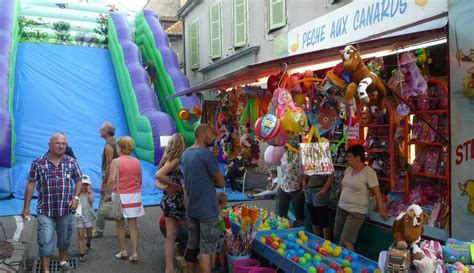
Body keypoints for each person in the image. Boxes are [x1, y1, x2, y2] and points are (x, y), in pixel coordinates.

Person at [22, 132, 82, 273]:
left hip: (65, 210)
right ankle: (46, 270)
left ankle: (63, 261)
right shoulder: (38, 163)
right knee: (45, 240)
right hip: (45, 210)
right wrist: (26, 207)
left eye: (63, 143)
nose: (61, 146)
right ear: (49, 145)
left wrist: (76, 198)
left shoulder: (71, 162)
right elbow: (31, 184)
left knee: (64, 239)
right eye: (57, 143)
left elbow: (78, 180)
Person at [181, 124, 226, 273]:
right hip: (207, 209)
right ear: (203, 135)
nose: (214, 138)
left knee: (192, 245)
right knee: (206, 249)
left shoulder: (186, 153)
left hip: (192, 208)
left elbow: (197, 176)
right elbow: (221, 182)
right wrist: (212, 158)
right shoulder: (206, 155)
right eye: (212, 135)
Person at [333, 144, 389, 251]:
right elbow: (342, 178)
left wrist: (381, 210)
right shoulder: (349, 169)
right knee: (338, 235)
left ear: (357, 158)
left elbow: (377, 193)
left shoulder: (369, 172)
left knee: (347, 241)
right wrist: (342, 191)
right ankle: (340, 261)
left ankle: (349, 264)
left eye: (349, 156)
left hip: (356, 212)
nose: (346, 159)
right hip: (342, 207)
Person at [107, 136, 145, 263]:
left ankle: (123, 250)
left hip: (120, 196)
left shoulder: (116, 162)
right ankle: (135, 252)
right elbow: (140, 180)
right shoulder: (136, 161)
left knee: (120, 224)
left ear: (120, 148)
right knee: (133, 225)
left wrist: (107, 192)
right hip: (134, 195)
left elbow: (112, 179)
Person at [155, 133, 187, 273]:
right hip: (176, 202)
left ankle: (170, 268)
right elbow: (159, 175)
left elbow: (158, 182)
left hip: (167, 201)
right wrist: (173, 185)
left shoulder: (166, 160)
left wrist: (167, 186)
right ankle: (184, 261)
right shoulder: (175, 161)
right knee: (192, 231)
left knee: (170, 237)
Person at [93, 122, 127, 238]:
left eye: (101, 129)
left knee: (103, 201)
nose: (99, 131)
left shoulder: (108, 145)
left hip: (111, 176)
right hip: (120, 175)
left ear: (106, 132)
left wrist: (104, 183)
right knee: (121, 201)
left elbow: (108, 165)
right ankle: (127, 230)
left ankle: (98, 229)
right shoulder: (117, 142)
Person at [278, 137, 305, 226]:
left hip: (296, 188)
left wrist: (303, 184)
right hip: (283, 187)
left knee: (299, 214)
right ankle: (282, 230)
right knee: (282, 213)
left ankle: (299, 232)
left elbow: (304, 171)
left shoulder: (300, 155)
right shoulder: (285, 154)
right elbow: (280, 168)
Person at [303, 173, 334, 240]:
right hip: (309, 190)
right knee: (314, 217)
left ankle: (326, 242)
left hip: (319, 189)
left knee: (323, 218)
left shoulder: (325, 162)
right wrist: (304, 184)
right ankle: (316, 240)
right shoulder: (311, 162)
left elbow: (331, 177)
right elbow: (306, 176)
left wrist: (323, 191)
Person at [74, 175, 96, 262]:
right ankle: (82, 253)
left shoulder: (89, 194)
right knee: (80, 236)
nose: (84, 187)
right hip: (79, 217)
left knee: (90, 235)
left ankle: (88, 243)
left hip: (88, 217)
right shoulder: (76, 194)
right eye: (82, 184)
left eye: (86, 185)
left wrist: (90, 192)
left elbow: (92, 201)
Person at [211, 192, 228, 272]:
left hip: (211, 233)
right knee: (221, 251)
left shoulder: (212, 210)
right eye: (226, 203)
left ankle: (213, 266)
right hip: (219, 235)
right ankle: (222, 266)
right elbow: (222, 225)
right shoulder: (220, 213)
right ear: (222, 204)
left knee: (213, 250)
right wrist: (226, 231)